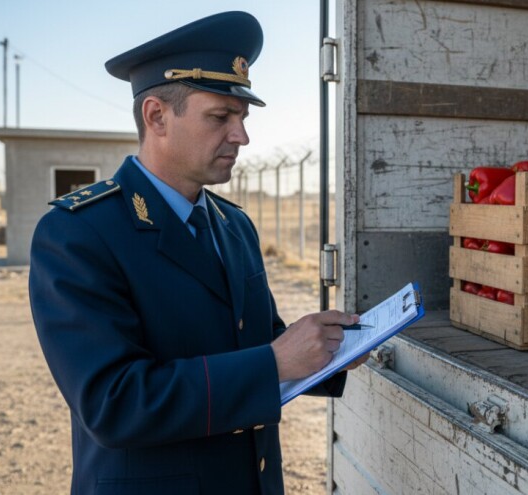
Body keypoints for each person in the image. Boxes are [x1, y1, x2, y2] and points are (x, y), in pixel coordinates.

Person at [28, 11, 365, 495]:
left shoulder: (234, 225)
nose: (242, 136)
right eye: (220, 117)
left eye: (242, 118)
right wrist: (274, 362)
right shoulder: (78, 233)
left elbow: (258, 341)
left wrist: (330, 349)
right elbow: (113, 402)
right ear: (157, 117)